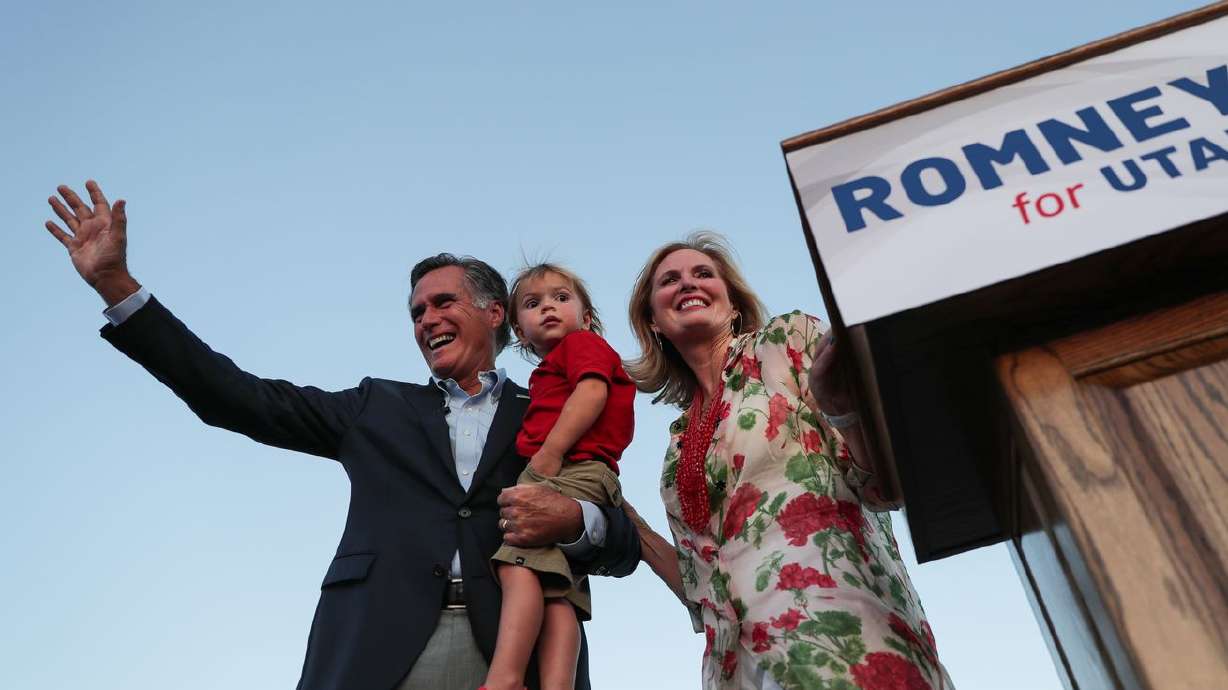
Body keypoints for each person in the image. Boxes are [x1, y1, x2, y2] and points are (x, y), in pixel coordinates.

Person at [41, 181, 640, 690]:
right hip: (377, 649)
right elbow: (236, 397)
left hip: (516, 657)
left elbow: (620, 535)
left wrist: (571, 521)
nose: (426, 319)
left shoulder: (550, 411)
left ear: (493, 313)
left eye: (442, 302)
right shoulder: (375, 407)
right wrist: (117, 286)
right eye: (415, 313)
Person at [624, 232, 954, 690]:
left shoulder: (786, 343)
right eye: (669, 280)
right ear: (653, 321)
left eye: (703, 273)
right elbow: (702, 592)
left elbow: (886, 486)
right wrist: (627, 519)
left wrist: (843, 408)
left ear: (733, 303)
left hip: (840, 636)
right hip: (740, 670)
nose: (687, 283)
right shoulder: (676, 448)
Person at [481, 263, 635, 690]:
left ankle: (505, 678)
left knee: (515, 565)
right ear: (519, 328)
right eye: (533, 303)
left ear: (586, 316)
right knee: (559, 589)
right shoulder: (549, 370)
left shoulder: (582, 346)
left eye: (561, 298)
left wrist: (550, 453)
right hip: (582, 470)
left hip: (568, 468)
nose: (548, 307)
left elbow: (592, 392)